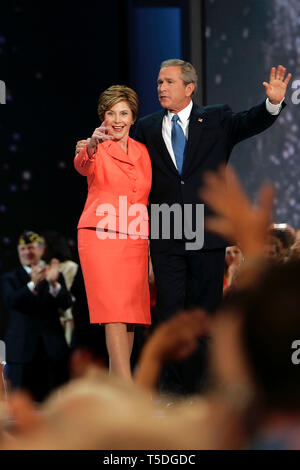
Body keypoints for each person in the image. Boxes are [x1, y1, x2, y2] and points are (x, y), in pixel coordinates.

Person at [76, 60, 291, 395]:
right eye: (159, 82)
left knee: (205, 313)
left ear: (189, 88)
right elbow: (105, 148)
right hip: (165, 231)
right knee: (171, 315)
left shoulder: (217, 118)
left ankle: (204, 391)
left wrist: (273, 103)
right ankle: (174, 393)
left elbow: (250, 122)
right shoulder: (146, 126)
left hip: (204, 231)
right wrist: (86, 147)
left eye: (169, 82)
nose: (161, 88)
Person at [74, 85, 152, 381]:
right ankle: (127, 386)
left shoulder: (143, 152)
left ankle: (117, 389)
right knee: (115, 313)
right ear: (102, 118)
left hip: (134, 239)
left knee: (130, 316)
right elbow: (81, 165)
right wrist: (90, 146)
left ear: (133, 117)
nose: (117, 120)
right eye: (111, 113)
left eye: (123, 113)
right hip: (101, 237)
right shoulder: (93, 148)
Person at [0, 231, 72, 402]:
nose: (27, 252)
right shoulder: (10, 278)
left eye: (31, 247)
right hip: (21, 353)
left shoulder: (54, 275)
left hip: (51, 351)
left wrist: (54, 284)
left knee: (54, 406)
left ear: (42, 250)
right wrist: (32, 283)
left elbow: (67, 302)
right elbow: (11, 301)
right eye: (23, 248)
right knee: (21, 407)